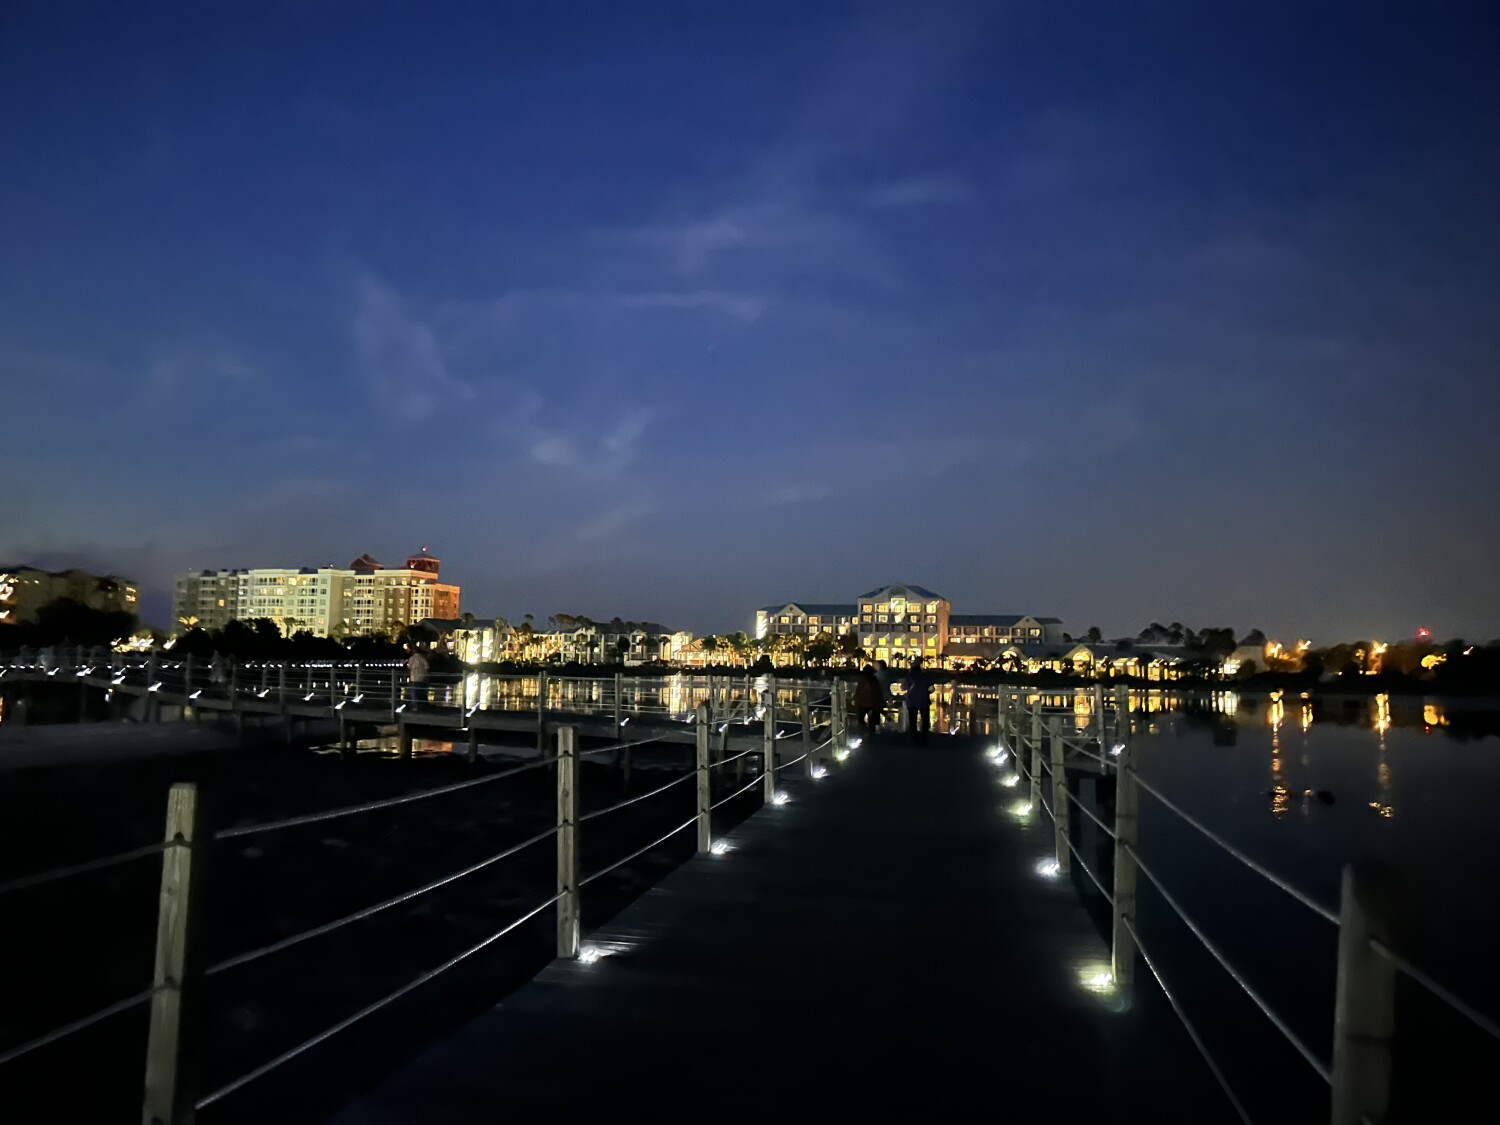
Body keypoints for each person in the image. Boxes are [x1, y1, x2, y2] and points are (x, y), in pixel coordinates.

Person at [902, 657, 933, 745]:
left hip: (912, 700)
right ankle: (924, 738)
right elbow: (932, 689)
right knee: (925, 721)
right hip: (924, 700)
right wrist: (925, 691)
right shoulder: (926, 676)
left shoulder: (909, 676)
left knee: (912, 721)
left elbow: (903, 687)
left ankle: (914, 738)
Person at [852, 665, 883, 734]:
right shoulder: (875, 680)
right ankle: (871, 734)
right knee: (872, 721)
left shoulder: (862, 680)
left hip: (862, 703)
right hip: (872, 704)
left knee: (860, 719)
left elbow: (858, 690)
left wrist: (854, 699)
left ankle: (862, 733)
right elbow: (878, 692)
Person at [874, 659, 894, 726]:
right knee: (879, 708)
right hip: (886, 694)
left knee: (877, 708)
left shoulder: (878, 675)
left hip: (879, 694)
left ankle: (877, 724)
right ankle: (886, 717)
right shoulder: (887, 673)